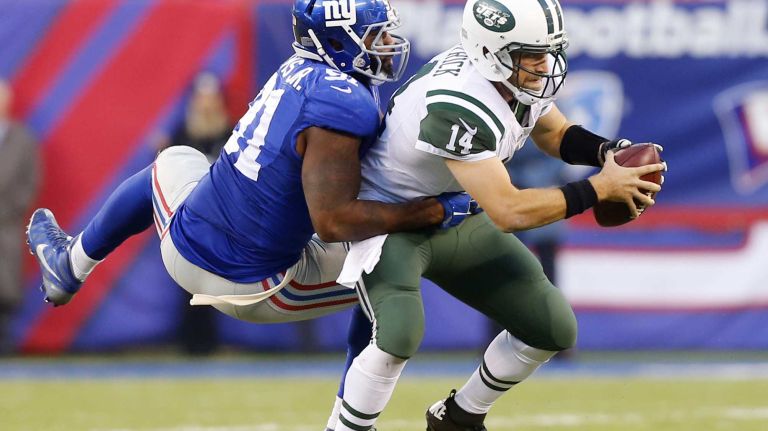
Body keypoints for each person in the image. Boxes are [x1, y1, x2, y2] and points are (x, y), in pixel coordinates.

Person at [27, 0, 475, 365]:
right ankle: (354, 413)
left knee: (174, 162)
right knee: (388, 261)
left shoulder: (297, 71)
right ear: (337, 40)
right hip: (257, 283)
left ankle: (73, 262)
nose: (392, 45)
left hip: (185, 241)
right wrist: (436, 209)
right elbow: (336, 222)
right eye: (377, 36)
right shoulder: (343, 103)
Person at [330, 0, 666, 430]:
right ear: (491, 54)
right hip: (392, 220)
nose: (544, 64)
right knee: (398, 334)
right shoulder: (459, 102)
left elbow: (556, 134)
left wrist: (607, 152)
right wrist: (600, 188)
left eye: (548, 51)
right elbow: (508, 210)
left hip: (453, 213)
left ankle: (459, 418)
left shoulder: (511, 77)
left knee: (551, 327)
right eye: (532, 54)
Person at [162, 72, 233, 355]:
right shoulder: (183, 132)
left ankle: (209, 343)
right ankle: (189, 343)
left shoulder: (228, 132)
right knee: (186, 281)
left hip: (219, 218)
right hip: (188, 218)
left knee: (213, 282)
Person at [0, 79, 40, 354]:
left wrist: (10, 210)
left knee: (6, 286)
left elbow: (31, 182)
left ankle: (5, 344)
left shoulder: (23, 140)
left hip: (7, 224)